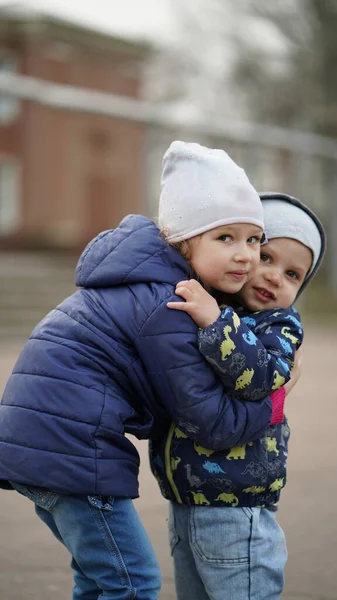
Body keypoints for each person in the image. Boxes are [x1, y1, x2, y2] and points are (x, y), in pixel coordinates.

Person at [0, 141, 286, 600]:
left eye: (254, 239)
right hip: (70, 448)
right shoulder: (169, 303)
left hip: (43, 441)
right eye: (225, 238)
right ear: (181, 239)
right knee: (131, 584)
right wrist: (268, 406)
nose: (246, 256)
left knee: (99, 581)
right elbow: (209, 419)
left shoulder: (143, 282)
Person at [150, 193, 326, 600]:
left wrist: (215, 320)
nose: (275, 277)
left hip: (236, 508)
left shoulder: (279, 326)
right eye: (266, 258)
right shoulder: (210, 302)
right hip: (183, 502)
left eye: (293, 274)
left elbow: (260, 377)